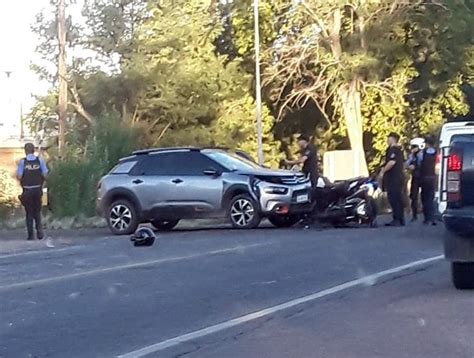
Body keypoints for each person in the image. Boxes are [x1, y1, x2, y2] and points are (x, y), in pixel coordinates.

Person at [16, 143, 48, 241]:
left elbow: (19, 176)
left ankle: (31, 235)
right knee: (37, 211)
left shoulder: (22, 162)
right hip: (38, 189)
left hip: (27, 189)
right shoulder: (40, 161)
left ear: (25, 151)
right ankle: (39, 232)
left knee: (29, 212)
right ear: (34, 150)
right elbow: (45, 174)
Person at [382, 132, 405, 226]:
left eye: (389, 138)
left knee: (394, 198)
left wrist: (382, 171)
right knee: (397, 198)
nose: (387, 140)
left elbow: (392, 162)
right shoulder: (398, 150)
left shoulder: (393, 150)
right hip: (397, 177)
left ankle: (398, 219)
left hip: (394, 178)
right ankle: (399, 218)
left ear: (393, 139)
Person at [406, 138, 425, 222]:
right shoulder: (412, 155)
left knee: (425, 196)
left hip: (423, 176)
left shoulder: (423, 155)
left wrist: (416, 166)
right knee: (413, 196)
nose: (412, 149)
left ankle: (426, 214)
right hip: (415, 177)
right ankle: (414, 215)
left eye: (414, 147)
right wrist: (409, 166)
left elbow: (424, 165)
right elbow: (407, 163)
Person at [420, 135, 437, 225]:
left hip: (425, 177)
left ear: (426, 144)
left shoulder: (422, 153)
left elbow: (419, 163)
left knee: (425, 198)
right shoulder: (437, 153)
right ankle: (433, 218)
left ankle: (427, 218)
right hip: (433, 177)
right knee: (431, 198)